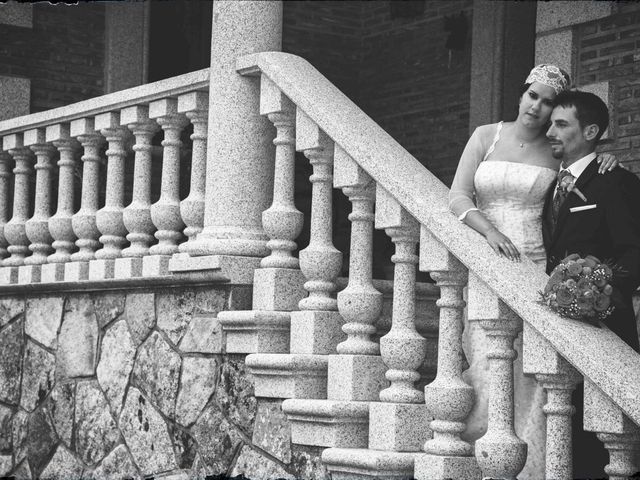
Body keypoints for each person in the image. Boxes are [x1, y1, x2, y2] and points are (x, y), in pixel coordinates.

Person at [448, 64, 619, 480]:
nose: (537, 107)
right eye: (533, 96)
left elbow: (582, 169)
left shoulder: (555, 148)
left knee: (527, 363)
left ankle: (529, 462)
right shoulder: (487, 135)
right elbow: (457, 194)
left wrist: (606, 158)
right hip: (487, 253)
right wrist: (487, 231)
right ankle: (475, 449)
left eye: (547, 102)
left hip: (534, 262)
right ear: (522, 95)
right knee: (487, 353)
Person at [543, 90, 640, 479]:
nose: (550, 130)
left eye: (561, 124)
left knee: (603, 439)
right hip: (559, 327)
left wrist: (593, 280)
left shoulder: (616, 181)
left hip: (605, 326)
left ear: (592, 130)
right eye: (551, 123)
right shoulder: (554, 183)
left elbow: (635, 253)